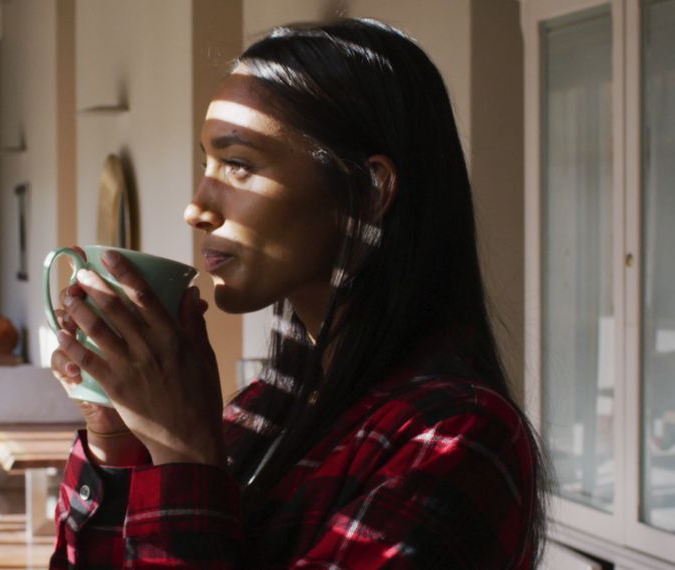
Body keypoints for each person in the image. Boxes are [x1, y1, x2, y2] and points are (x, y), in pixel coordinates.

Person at [47, 18, 546, 569]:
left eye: (238, 164)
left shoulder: (455, 439)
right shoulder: (265, 410)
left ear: (369, 190)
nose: (196, 208)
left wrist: (184, 454)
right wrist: (116, 439)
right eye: (207, 164)